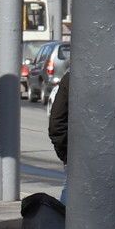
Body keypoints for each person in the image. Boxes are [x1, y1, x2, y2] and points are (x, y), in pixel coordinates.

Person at [48, 71, 70, 203]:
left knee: (66, 214)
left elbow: (56, 124)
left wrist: (67, 155)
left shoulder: (71, 78)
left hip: (77, 156)